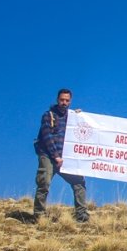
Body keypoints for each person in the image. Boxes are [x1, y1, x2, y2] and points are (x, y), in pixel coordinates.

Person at [33, 88, 88, 222]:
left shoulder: (72, 116)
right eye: (62, 100)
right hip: (48, 155)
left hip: (66, 157)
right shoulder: (48, 115)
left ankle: (81, 214)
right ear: (57, 100)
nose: (64, 102)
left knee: (79, 182)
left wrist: (80, 117)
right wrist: (56, 156)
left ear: (70, 101)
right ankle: (39, 215)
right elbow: (47, 136)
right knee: (44, 182)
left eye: (67, 100)